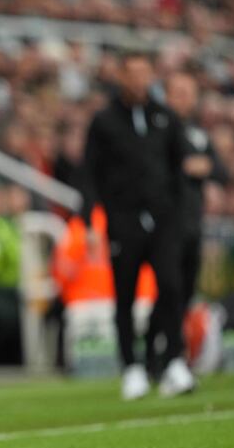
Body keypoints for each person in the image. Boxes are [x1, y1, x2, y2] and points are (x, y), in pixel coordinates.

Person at [82, 52, 204, 400]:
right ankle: (131, 367)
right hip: (123, 221)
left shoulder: (165, 117)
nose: (138, 80)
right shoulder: (104, 121)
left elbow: (182, 165)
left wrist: (183, 214)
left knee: (171, 286)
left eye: (144, 73)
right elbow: (89, 174)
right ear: (121, 75)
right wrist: (90, 218)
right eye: (131, 73)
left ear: (151, 76)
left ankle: (173, 361)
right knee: (126, 294)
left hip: (165, 220)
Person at [144, 71, 227, 376]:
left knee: (185, 290)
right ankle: (162, 352)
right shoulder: (155, 127)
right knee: (169, 288)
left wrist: (204, 167)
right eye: (178, 91)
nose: (185, 98)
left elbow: (219, 169)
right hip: (164, 223)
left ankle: (165, 351)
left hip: (192, 222)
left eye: (189, 92)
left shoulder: (197, 133)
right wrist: (182, 167)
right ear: (166, 94)